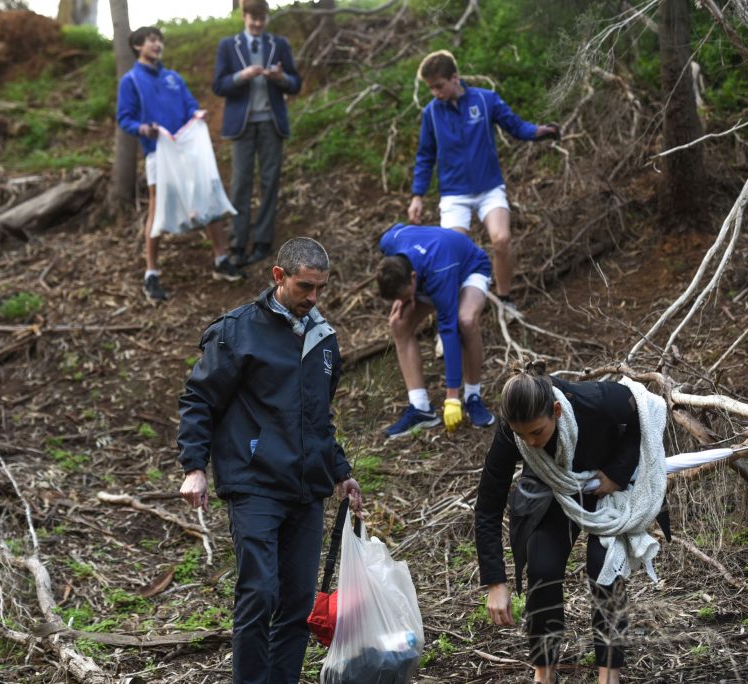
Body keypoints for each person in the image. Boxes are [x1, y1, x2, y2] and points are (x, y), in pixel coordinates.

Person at [177, 237, 363, 684]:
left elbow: (318, 417)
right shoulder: (237, 331)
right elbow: (199, 399)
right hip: (254, 482)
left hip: (306, 489)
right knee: (259, 593)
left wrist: (341, 472)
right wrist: (194, 467)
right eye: (305, 286)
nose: (314, 297)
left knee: (298, 603)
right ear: (278, 277)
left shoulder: (323, 339)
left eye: (321, 287)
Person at [474, 361, 671, 684]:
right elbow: (488, 505)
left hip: (599, 481)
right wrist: (496, 582)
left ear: (556, 410)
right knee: (543, 569)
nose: (531, 442)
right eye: (522, 435)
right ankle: (544, 673)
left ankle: (609, 675)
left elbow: (646, 408)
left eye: (537, 431)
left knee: (604, 569)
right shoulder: (514, 432)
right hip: (550, 488)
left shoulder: (596, 401)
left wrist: (618, 473)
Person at [408, 49, 560, 315]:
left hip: (489, 187)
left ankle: (505, 300)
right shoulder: (431, 114)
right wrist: (417, 195)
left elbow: (515, 125)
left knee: (501, 240)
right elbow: (425, 156)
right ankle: (450, 316)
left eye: (439, 86)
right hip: (454, 194)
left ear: (455, 78)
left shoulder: (484, 99)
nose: (435, 92)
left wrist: (540, 132)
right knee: (450, 253)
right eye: (430, 88)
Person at [116, 26, 245, 305]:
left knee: (207, 196)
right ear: (138, 46)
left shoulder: (173, 77)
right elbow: (124, 118)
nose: (157, 44)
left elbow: (189, 105)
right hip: (158, 152)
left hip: (187, 150)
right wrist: (143, 128)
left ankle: (221, 259)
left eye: (159, 39)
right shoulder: (131, 81)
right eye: (151, 40)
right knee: (157, 206)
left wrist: (197, 114)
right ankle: (151, 272)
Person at [376, 223, 495, 437]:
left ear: (412, 278)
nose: (401, 301)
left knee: (465, 321)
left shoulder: (439, 272)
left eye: (402, 295)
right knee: (399, 324)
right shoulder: (388, 243)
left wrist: (452, 398)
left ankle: (472, 397)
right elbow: (399, 226)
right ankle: (421, 408)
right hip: (430, 271)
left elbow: (448, 330)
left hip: (469, 268)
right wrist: (403, 296)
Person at [212, 0, 302, 267]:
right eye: (253, 18)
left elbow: (296, 82)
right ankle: (237, 244)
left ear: (267, 18)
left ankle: (263, 241)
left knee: (269, 181)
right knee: (240, 183)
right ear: (244, 16)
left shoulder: (279, 44)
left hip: (272, 123)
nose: (258, 23)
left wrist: (281, 79)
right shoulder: (228, 46)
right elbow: (219, 85)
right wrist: (242, 76)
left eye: (262, 18)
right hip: (242, 124)